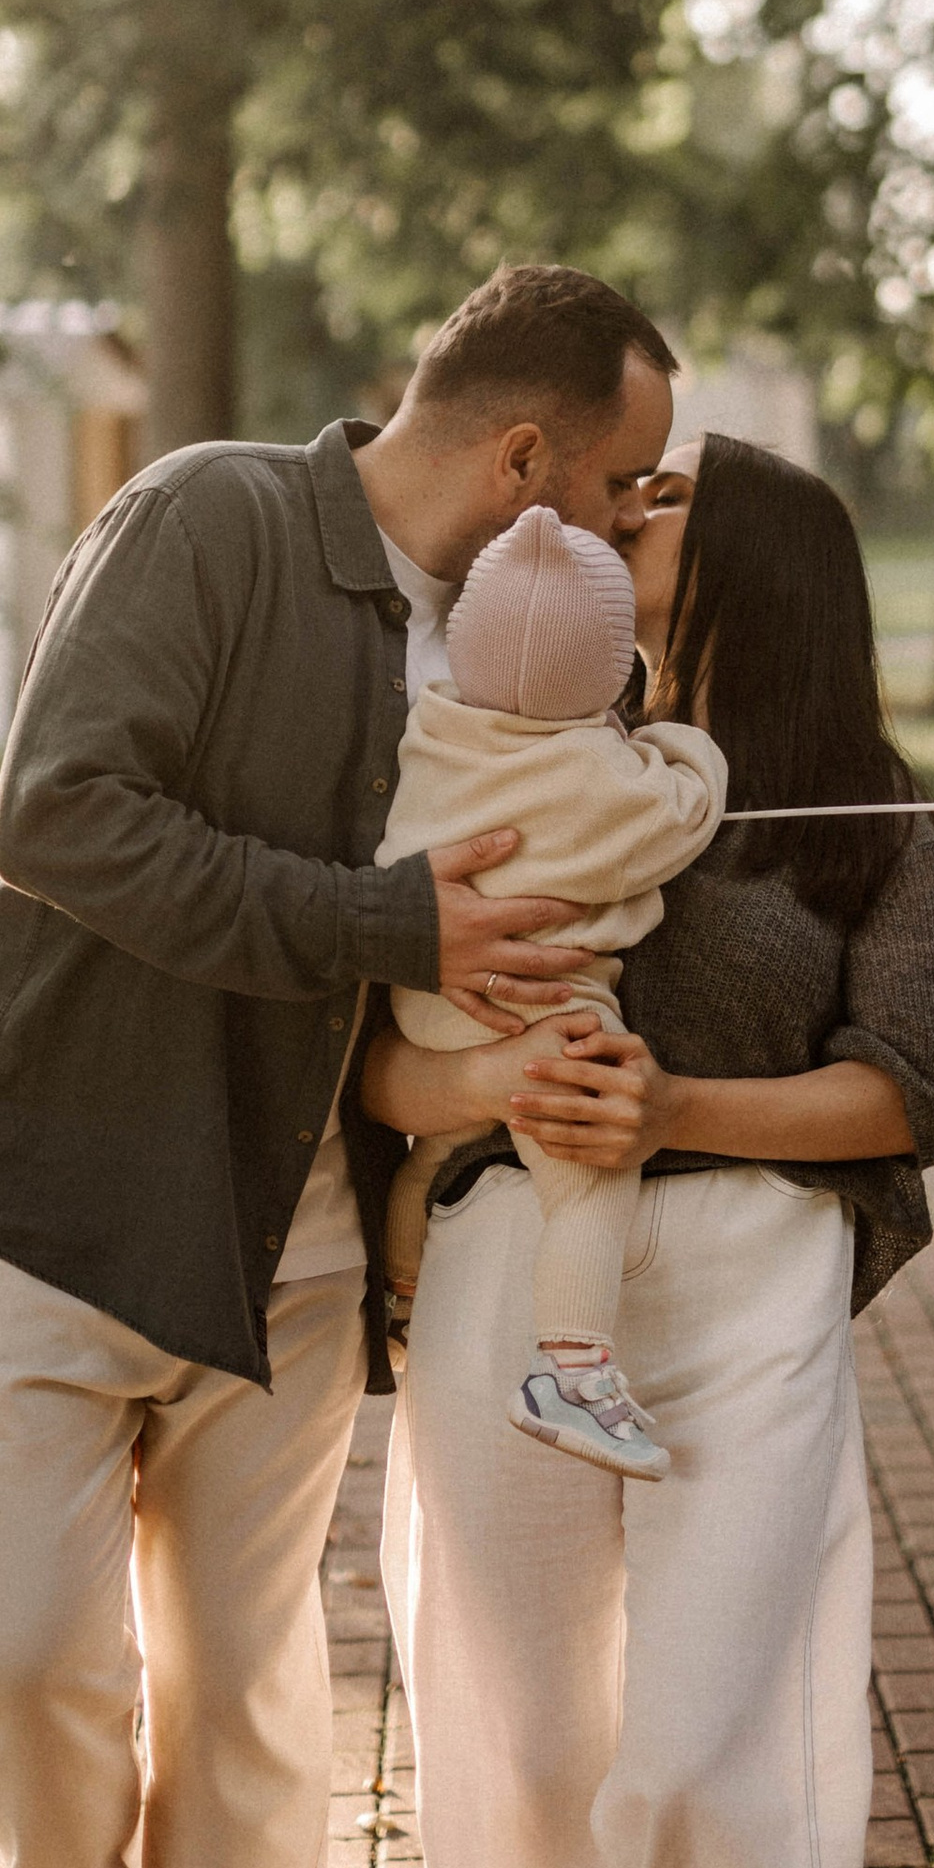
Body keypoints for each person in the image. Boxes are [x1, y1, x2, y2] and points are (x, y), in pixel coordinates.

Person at [0, 264, 678, 1868]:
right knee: (26, 1657)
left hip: (291, 1241)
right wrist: (378, 912)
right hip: (41, 1195)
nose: (625, 529)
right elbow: (59, 817)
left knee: (242, 1710)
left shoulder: (533, 666)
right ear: (522, 459)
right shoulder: (213, 516)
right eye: (616, 483)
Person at [366, 432, 934, 1868]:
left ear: (764, 566)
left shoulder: (860, 809)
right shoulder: (482, 743)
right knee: (517, 1743)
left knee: (720, 1740)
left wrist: (674, 1107)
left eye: (664, 497)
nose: (615, 511)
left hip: (748, 1281)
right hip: (504, 1265)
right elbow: (373, 1061)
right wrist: (485, 1094)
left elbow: (911, 1088)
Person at [375, 501, 725, 1481]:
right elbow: (680, 817)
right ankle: (571, 1371)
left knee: (432, 1146)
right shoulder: (597, 777)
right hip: (541, 1010)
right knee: (588, 1186)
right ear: (607, 671)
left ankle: (401, 1290)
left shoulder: (430, 729)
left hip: (430, 994)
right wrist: (683, 747)